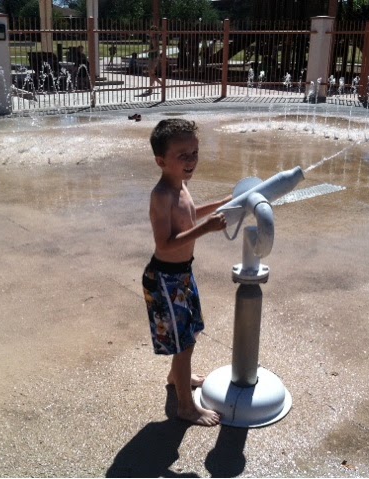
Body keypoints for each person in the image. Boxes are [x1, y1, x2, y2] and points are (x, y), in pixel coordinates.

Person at [142, 119, 231, 427]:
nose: (191, 160)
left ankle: (175, 376)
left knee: (189, 334)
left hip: (182, 275)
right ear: (161, 161)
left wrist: (219, 205)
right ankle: (185, 407)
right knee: (183, 345)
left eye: (194, 152)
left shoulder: (181, 185)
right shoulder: (162, 195)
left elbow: (190, 214)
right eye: (183, 155)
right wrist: (205, 229)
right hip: (165, 279)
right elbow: (164, 244)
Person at [147, 26, 162, 94]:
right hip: (152, 57)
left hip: (153, 57)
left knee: (151, 73)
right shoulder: (153, 38)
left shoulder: (154, 39)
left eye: (151, 31)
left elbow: (156, 49)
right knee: (151, 73)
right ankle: (150, 88)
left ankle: (162, 84)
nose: (149, 32)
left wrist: (147, 50)